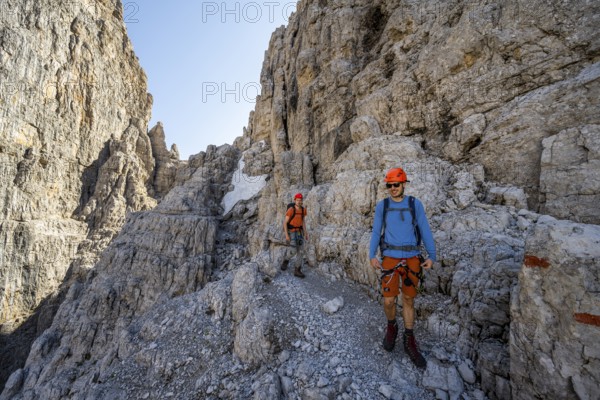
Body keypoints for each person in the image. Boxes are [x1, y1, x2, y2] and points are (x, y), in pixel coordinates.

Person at [369, 167, 436, 369]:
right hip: (390, 257)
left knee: (408, 299)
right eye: (389, 185)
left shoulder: (415, 204)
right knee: (389, 300)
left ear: (403, 184)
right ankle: (392, 326)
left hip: (412, 258)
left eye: (396, 184)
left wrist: (432, 255)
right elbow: (375, 230)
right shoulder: (383, 206)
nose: (392, 188)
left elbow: (424, 228)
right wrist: (372, 254)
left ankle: (409, 339)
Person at [283, 193, 308, 278]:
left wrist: (306, 232)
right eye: (298, 200)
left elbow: (303, 222)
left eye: (300, 200)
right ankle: (286, 260)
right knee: (293, 250)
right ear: (295, 200)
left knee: (300, 251)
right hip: (292, 232)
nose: (299, 202)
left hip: (299, 232)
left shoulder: (303, 210)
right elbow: (285, 223)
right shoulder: (291, 210)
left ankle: (297, 270)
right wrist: (287, 235)